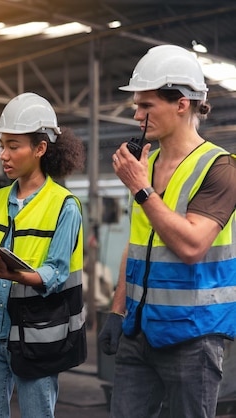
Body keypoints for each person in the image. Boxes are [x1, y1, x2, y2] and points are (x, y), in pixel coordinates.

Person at [98, 44, 236, 418]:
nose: (138, 115)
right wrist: (116, 310)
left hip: (193, 337)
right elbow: (138, 242)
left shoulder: (219, 168)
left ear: (182, 103)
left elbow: (192, 245)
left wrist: (142, 190)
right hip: (139, 330)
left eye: (147, 106)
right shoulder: (148, 163)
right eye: (137, 106)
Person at [0, 92, 87, 418]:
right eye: (2, 145)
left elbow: (55, 275)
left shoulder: (64, 206)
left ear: (40, 148)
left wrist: (10, 274)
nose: (4, 154)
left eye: (14, 146)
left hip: (36, 335)